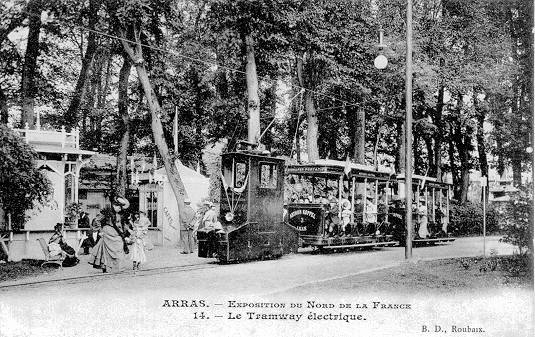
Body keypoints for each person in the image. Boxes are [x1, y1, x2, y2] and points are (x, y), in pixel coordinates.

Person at [89, 195, 130, 273]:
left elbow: (120, 225)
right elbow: (97, 220)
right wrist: (100, 230)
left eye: (121, 208)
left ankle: (117, 267)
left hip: (116, 234)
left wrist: (126, 232)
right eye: (118, 207)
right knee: (107, 252)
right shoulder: (106, 212)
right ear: (114, 205)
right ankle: (108, 267)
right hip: (108, 233)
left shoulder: (118, 214)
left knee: (119, 248)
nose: (120, 209)